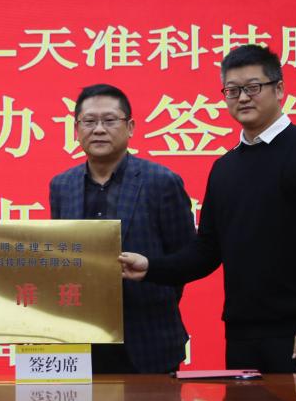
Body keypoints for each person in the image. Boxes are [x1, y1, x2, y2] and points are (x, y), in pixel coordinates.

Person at [119, 45, 296, 373]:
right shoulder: (225, 168)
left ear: (279, 89)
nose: (243, 98)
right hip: (241, 334)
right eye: (232, 90)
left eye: (253, 87)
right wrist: (151, 267)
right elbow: (207, 251)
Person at [49, 84, 196, 373]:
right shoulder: (62, 185)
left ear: (130, 127)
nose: (98, 129)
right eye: (89, 121)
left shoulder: (161, 182)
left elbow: (187, 260)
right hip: (82, 339)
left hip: (149, 338)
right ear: (76, 129)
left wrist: (150, 271)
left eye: (109, 120)